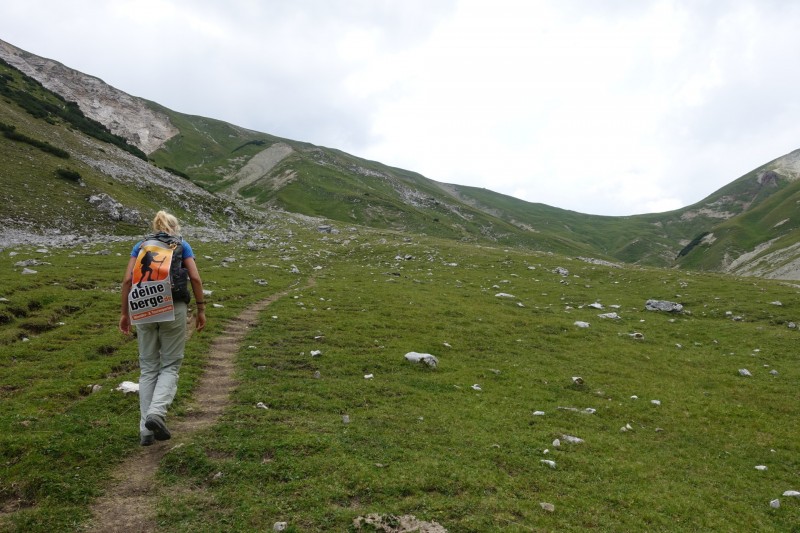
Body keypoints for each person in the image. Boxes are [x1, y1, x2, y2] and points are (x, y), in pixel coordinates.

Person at [119, 211, 207, 446]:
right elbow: (196, 279)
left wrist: (124, 314)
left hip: (142, 307)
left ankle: (145, 432)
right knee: (169, 364)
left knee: (148, 368)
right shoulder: (182, 245)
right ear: (174, 227)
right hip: (173, 307)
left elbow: (128, 280)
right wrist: (200, 309)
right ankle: (156, 414)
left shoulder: (140, 246)